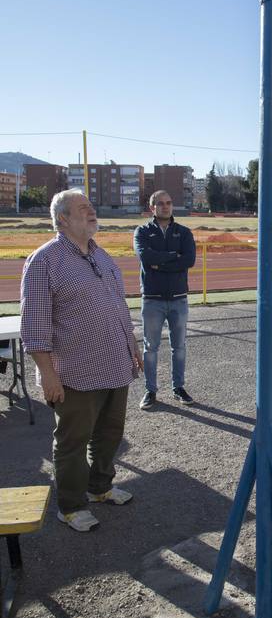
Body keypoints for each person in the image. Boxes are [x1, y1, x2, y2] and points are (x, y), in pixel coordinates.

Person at [21, 190, 143, 532]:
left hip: (115, 365)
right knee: (72, 441)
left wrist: (132, 346)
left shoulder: (101, 256)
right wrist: (48, 374)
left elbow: (118, 307)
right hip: (74, 372)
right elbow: (34, 327)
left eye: (91, 206)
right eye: (83, 208)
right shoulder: (45, 261)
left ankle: (100, 488)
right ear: (63, 218)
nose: (92, 211)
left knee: (109, 434)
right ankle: (71, 506)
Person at [134, 190, 196, 409]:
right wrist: (173, 256)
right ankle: (150, 391)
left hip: (178, 298)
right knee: (150, 348)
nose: (165, 207)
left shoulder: (184, 232)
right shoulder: (142, 232)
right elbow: (146, 257)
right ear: (152, 208)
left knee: (179, 346)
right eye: (160, 204)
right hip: (152, 299)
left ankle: (178, 387)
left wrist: (159, 263)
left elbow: (189, 260)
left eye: (169, 203)